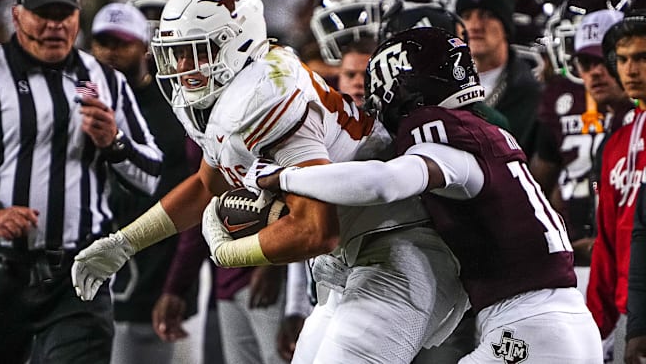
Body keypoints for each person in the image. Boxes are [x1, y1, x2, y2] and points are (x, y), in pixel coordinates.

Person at [71, 0, 468, 364]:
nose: (182, 66)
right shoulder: (236, 91)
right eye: (177, 53)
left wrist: (230, 253)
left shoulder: (267, 96)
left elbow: (317, 230)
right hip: (354, 253)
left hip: (399, 244)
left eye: (196, 51)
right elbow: (206, 186)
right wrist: (125, 243)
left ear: (235, 44)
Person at [246, 27, 603, 363]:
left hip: (530, 329)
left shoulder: (448, 144)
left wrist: (286, 177)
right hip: (564, 323)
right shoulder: (485, 136)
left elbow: (381, 183)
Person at [0, 0, 163, 363]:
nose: (54, 26)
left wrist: (115, 143)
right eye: (43, 14)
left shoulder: (102, 79)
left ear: (77, 16)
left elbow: (150, 174)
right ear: (18, 15)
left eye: (63, 15)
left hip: (78, 273)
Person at [89, 1, 191, 364]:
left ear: (145, 48)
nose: (111, 52)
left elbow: (183, 194)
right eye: (103, 42)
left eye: (123, 42)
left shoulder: (173, 109)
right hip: (95, 252)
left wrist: (175, 281)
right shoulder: (80, 102)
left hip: (154, 256)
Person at [532, 9, 635, 298]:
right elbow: (540, 188)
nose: (595, 72)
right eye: (586, 63)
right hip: (579, 266)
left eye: (604, 59)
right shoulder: (562, 99)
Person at [591, 12, 646, 364]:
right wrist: (595, 324)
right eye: (623, 60)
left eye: (641, 58)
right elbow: (607, 238)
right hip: (630, 308)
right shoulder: (614, 145)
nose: (630, 70)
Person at [456, 0, 543, 158]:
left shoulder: (530, 92)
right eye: (466, 16)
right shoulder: (441, 84)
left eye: (486, 15)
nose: (475, 25)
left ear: (506, 27)